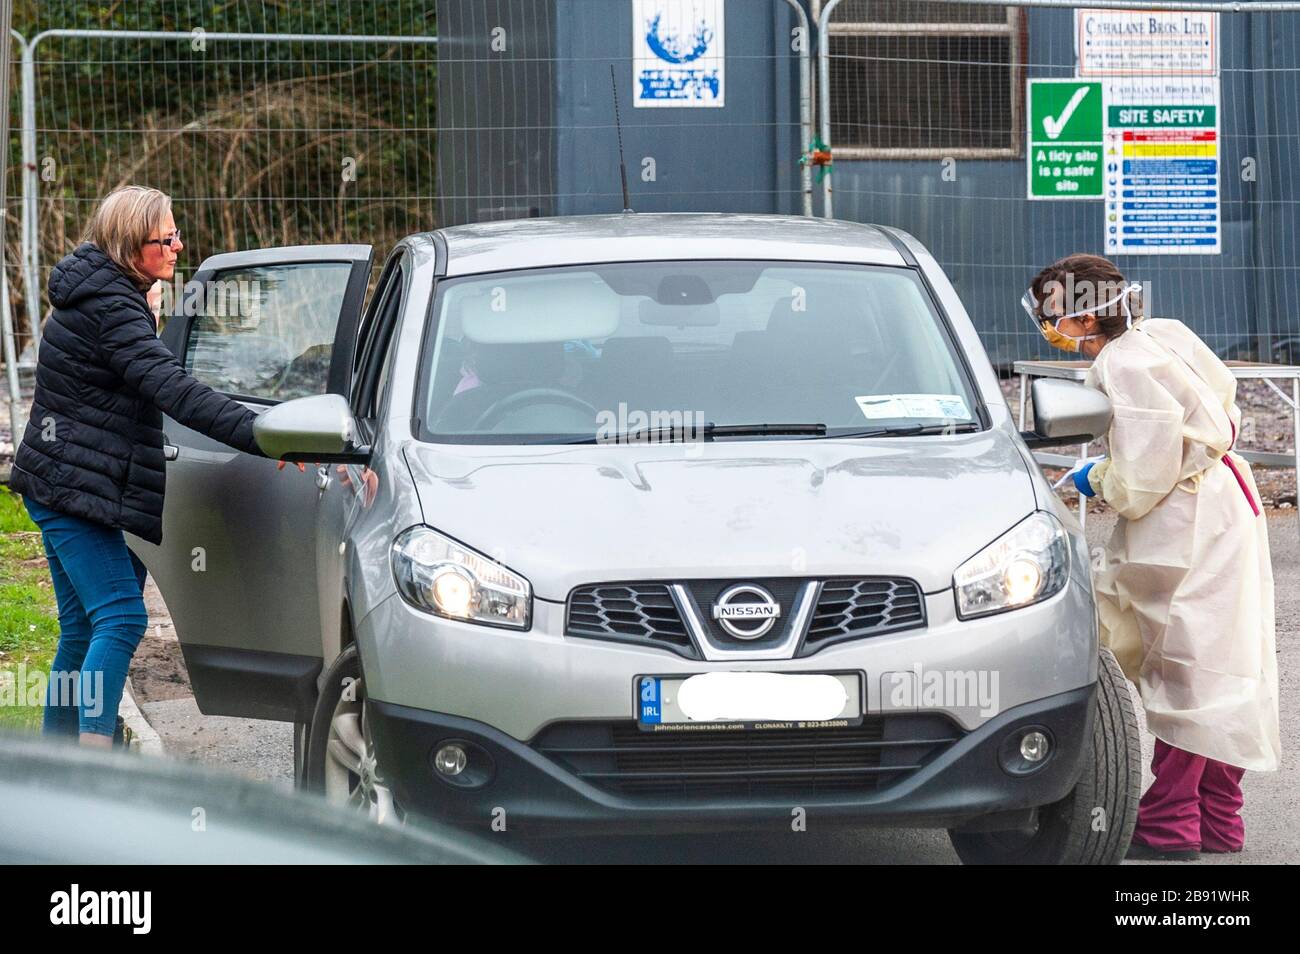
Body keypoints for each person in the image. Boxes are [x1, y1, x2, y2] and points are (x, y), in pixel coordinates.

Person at [1024, 253, 1281, 861]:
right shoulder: (1161, 334)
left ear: (1085, 318)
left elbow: (1143, 478)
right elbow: (1224, 399)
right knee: (1223, 660)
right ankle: (1219, 820)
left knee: (1185, 670)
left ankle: (1170, 826)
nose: (1048, 323)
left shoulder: (1122, 365)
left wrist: (1100, 478)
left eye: (1054, 312)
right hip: (1223, 504)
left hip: (1185, 523)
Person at [8, 185, 269, 748]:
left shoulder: (103, 292)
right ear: (132, 247)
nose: (179, 245)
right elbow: (172, 388)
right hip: (73, 489)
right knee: (122, 619)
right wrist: (262, 434)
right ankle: (95, 758)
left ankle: (57, 772)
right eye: (166, 237)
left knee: (81, 628)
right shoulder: (112, 309)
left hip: (64, 481)